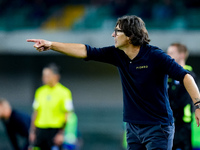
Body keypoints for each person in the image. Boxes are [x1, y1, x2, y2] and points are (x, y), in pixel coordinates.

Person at [27, 15, 200, 150]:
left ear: (131, 35)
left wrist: (198, 106)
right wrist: (51, 45)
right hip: (133, 128)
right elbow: (85, 50)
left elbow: (186, 77)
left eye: (117, 31)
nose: (113, 35)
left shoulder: (155, 56)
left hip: (158, 128)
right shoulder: (118, 54)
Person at [29, 63, 74, 150]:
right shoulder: (39, 92)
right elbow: (35, 112)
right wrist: (32, 131)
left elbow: (67, 114)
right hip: (40, 130)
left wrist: (61, 133)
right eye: (44, 75)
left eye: (47, 75)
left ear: (56, 76)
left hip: (55, 131)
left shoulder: (65, 92)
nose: (44, 78)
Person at [167, 43, 195, 150]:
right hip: (169, 125)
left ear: (182, 55)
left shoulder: (189, 76)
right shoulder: (168, 76)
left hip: (182, 125)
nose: (168, 55)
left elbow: (185, 99)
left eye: (172, 53)